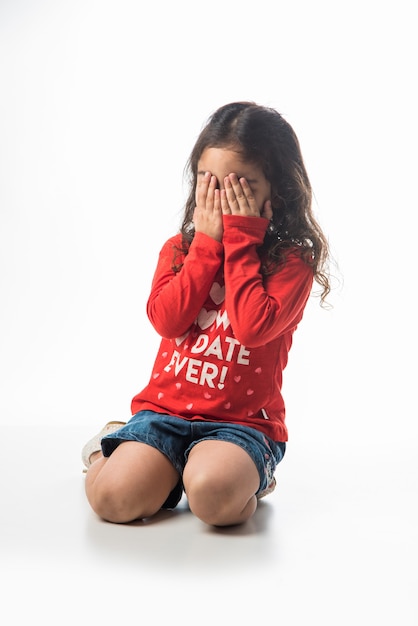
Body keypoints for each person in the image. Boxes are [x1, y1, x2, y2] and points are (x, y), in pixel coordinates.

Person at [82, 101, 331, 527]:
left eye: (241, 185)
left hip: (241, 425)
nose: (221, 196)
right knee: (112, 500)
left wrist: (239, 241)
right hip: (164, 414)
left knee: (215, 501)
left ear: (277, 190)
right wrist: (207, 245)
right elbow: (167, 320)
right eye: (208, 181)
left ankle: (245, 473)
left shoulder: (292, 263)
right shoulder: (179, 250)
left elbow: (252, 328)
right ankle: (113, 445)